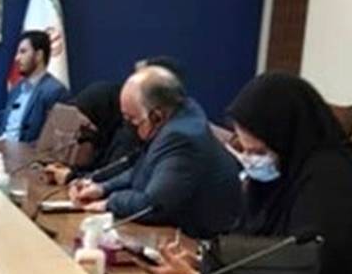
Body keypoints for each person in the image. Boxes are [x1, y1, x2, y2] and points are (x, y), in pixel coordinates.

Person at [147, 74, 352, 274]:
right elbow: (258, 250)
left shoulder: (331, 180)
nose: (251, 161)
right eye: (244, 149)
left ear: (285, 139)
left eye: (259, 152)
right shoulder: (285, 171)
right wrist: (207, 263)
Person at [70, 65, 240, 237]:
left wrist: (110, 203)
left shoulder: (181, 138)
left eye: (132, 120)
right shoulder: (178, 116)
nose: (128, 127)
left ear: (157, 116)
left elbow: (152, 206)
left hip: (198, 240)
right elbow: (143, 169)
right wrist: (102, 188)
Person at [44, 81, 140, 185]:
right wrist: (66, 169)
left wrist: (71, 177)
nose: (83, 133)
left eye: (87, 126)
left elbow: (112, 176)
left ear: (100, 113)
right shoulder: (103, 135)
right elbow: (94, 166)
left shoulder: (128, 138)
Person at [0, 30, 69, 144]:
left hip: (28, 154)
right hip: (3, 149)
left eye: (23, 52)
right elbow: (4, 130)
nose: (17, 58)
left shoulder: (55, 92)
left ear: (38, 55)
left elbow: (53, 141)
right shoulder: (16, 89)